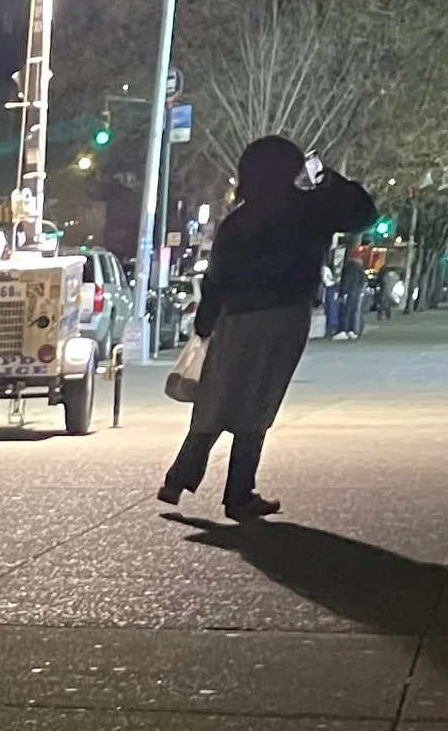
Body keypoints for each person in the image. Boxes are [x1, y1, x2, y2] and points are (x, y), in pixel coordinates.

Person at [159, 137, 377, 519]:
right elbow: (363, 214)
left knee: (217, 398)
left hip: (235, 317)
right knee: (258, 401)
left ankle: (179, 478)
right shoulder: (308, 210)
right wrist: (327, 178)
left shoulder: (238, 221)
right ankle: (239, 492)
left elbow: (216, 277)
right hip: (284, 314)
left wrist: (205, 323)